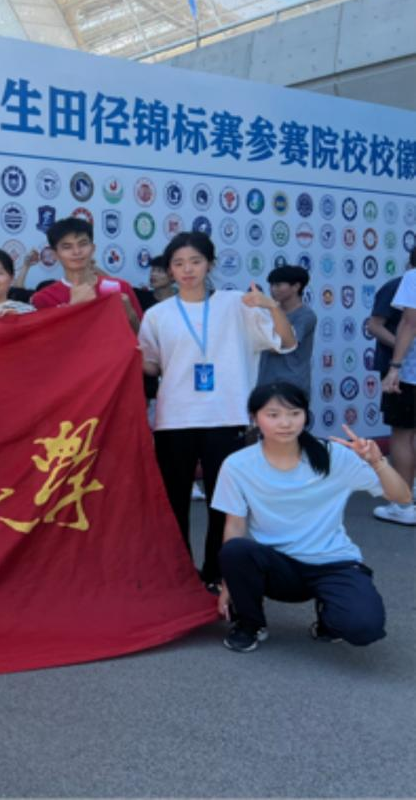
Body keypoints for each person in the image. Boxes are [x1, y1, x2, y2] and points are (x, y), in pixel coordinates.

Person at [138, 232, 296, 590]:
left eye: (195, 261)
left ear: (210, 264)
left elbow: (286, 343)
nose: (187, 270)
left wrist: (271, 306)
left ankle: (217, 573)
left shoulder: (237, 304)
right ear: (170, 269)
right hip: (174, 419)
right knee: (173, 502)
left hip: (226, 417)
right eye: (178, 263)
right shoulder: (157, 315)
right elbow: (151, 365)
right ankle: (177, 577)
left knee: (222, 503)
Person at [212, 382, 407, 652]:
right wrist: (229, 583)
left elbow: (402, 497)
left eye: (294, 413)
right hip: (278, 567)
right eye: (273, 415)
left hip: (332, 563)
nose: (285, 423)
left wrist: (377, 462)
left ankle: (329, 615)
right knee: (236, 551)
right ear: (254, 418)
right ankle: (251, 623)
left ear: (306, 415)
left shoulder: (334, 456)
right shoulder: (237, 465)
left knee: (364, 627)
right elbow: (234, 525)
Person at [367, 248, 416, 526]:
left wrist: (397, 363)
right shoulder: (393, 286)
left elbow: (409, 323)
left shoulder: (412, 279)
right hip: (405, 369)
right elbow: (375, 325)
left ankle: (403, 504)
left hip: (409, 373)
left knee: (402, 434)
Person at [30, 218, 141, 331]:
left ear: (92, 248)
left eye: (82, 244)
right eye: (67, 247)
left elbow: (142, 338)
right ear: (55, 254)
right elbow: (47, 340)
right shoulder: (43, 299)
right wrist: (72, 307)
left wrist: (130, 315)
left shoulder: (122, 287)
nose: (77, 252)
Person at [256, 265, 316, 394]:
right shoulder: (267, 312)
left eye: (278, 285)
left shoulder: (305, 316)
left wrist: (256, 339)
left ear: (296, 287)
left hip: (292, 385)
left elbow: (282, 345)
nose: (273, 289)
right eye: (271, 285)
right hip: (266, 382)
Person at [135, 255, 173, 403]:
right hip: (148, 371)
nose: (154, 275)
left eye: (160, 271)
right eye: (152, 270)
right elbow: (114, 283)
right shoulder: (141, 297)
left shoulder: (184, 303)